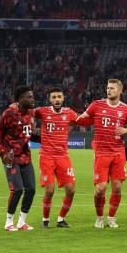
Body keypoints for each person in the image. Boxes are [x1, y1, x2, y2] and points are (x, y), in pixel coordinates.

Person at [78, 79, 127, 228]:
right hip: (101, 152)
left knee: (117, 187)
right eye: (107, 88)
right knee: (100, 189)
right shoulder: (96, 105)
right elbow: (81, 118)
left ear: (119, 91)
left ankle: (111, 217)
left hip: (118, 153)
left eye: (112, 88)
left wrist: (126, 130)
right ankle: (99, 217)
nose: (108, 90)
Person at [0, 85, 40, 231]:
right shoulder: (8, 114)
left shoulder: (31, 113)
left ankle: (21, 222)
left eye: (32, 96)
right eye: (29, 97)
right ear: (20, 99)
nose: (32, 99)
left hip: (26, 157)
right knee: (17, 189)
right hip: (11, 157)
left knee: (31, 189)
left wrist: (43, 138)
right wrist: (3, 153)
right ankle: (8, 222)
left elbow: (28, 134)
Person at [33, 87, 79, 228]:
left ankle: (61, 219)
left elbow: (82, 120)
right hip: (46, 156)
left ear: (63, 98)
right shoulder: (42, 111)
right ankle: (45, 220)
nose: (57, 99)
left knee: (71, 190)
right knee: (50, 190)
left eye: (59, 96)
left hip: (63, 156)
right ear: (49, 99)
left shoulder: (69, 113)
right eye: (54, 97)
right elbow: (25, 113)